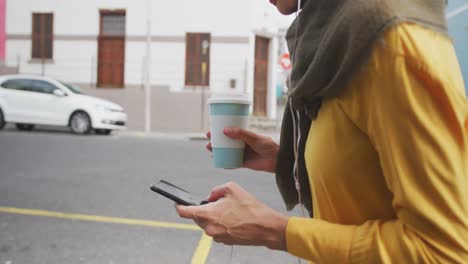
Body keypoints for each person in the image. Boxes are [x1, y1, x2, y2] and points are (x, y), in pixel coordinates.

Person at [176, 0, 468, 263]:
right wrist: (288, 161)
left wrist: (273, 230)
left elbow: (443, 250)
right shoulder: (337, 29)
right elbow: (366, 172)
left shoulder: (388, 42)